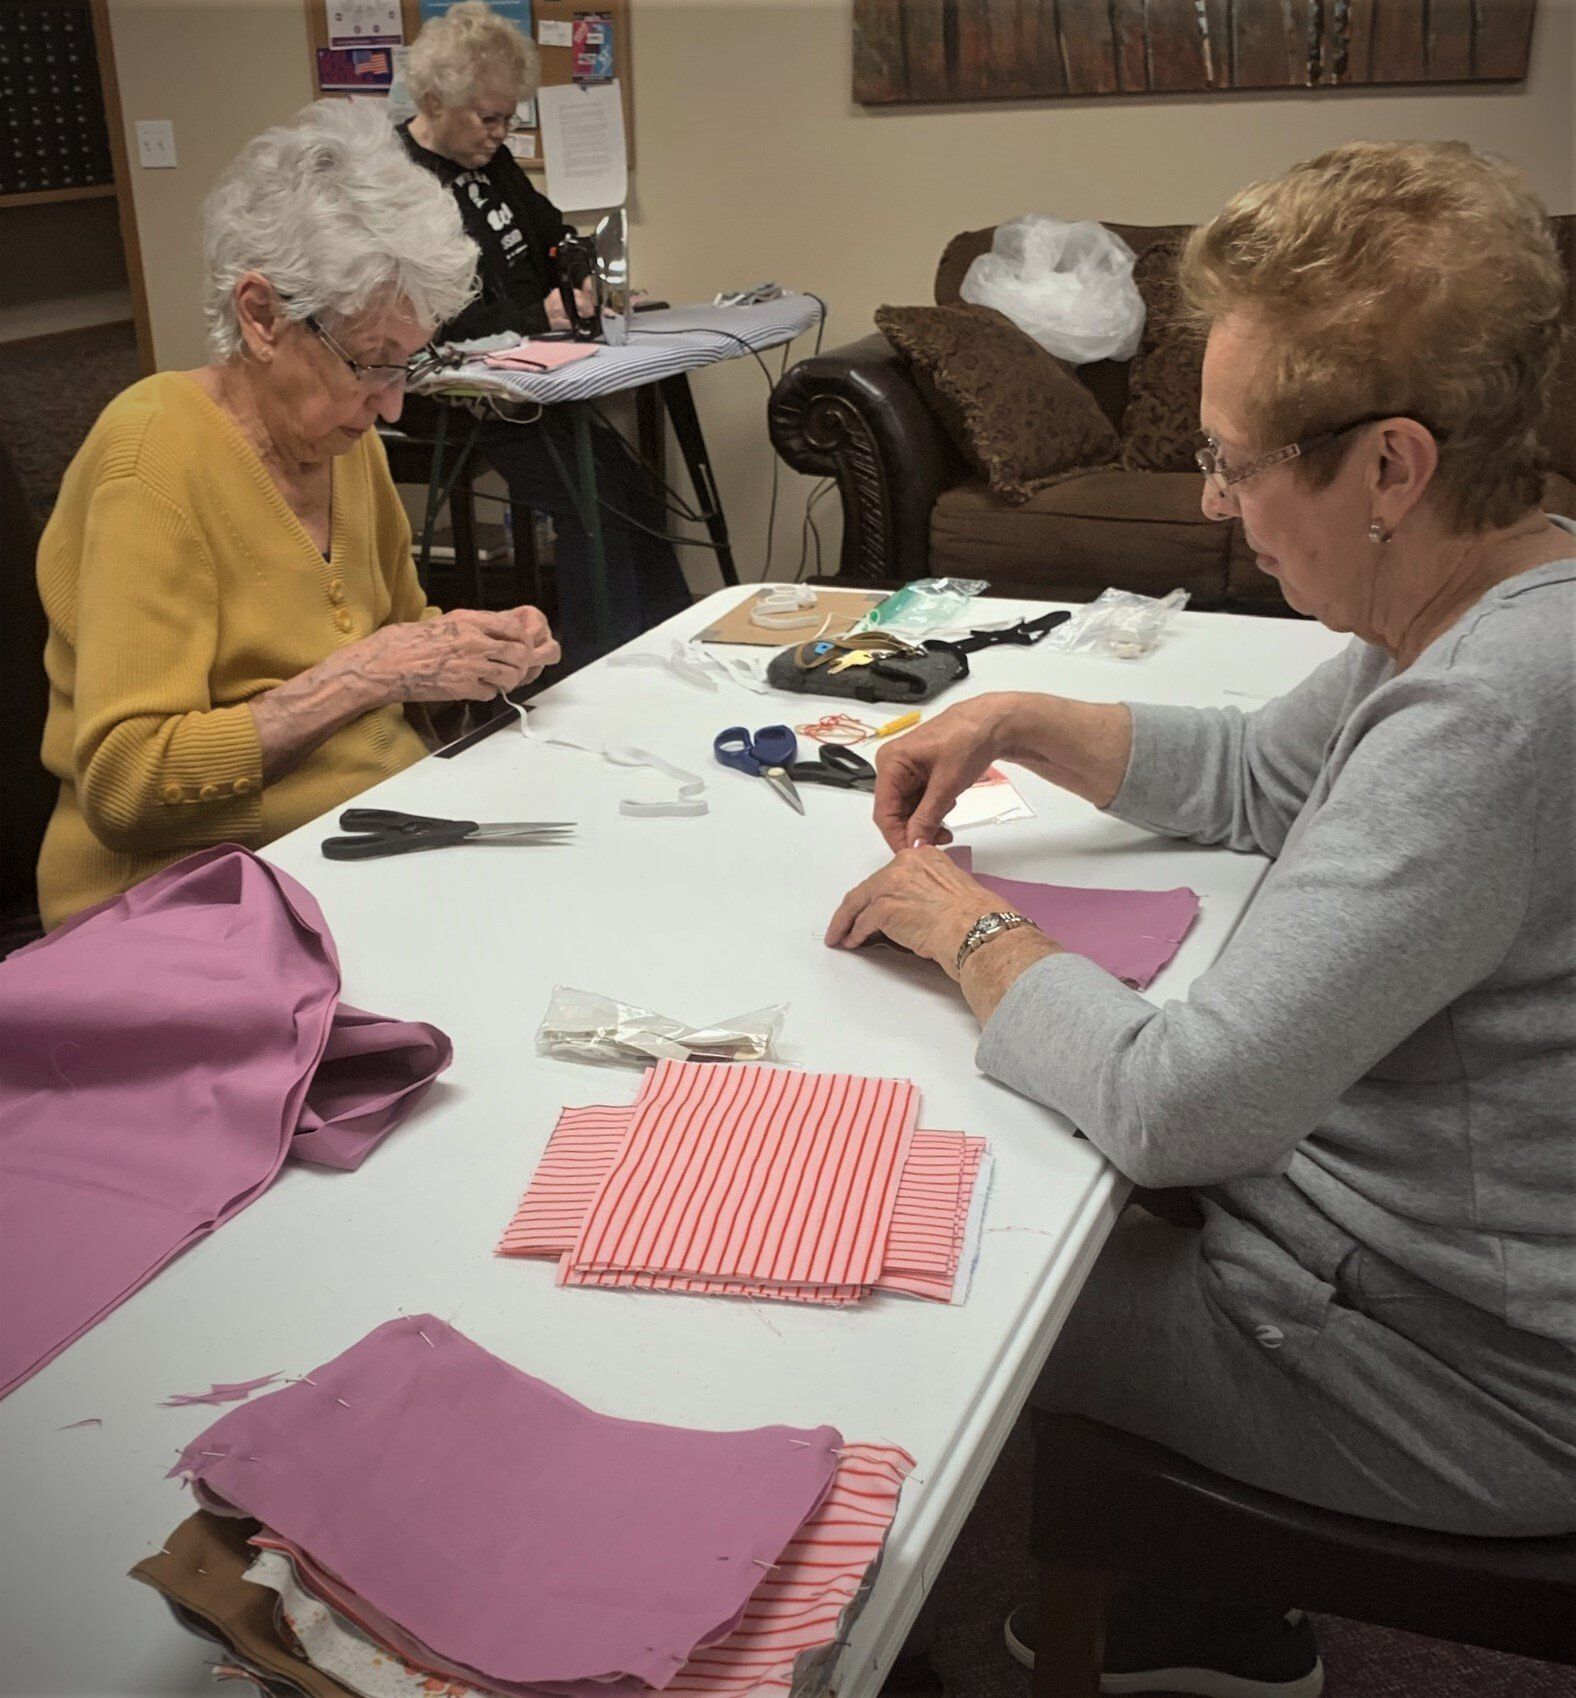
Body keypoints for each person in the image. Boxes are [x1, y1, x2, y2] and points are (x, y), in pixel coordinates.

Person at [827, 141, 1575, 1696]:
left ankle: (902, 1649)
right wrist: (1021, 715)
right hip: (1421, 1267)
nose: (1218, 502)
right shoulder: (1489, 596)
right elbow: (1253, 771)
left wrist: (965, 923)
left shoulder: (1490, 718)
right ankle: (1202, 1609)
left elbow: (1183, 1107)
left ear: (1391, 467)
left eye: (1237, 461)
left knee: (919, 1287)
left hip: (1467, 1378)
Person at [35, 100, 558, 929]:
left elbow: (401, 649)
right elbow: (125, 787)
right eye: (371, 364)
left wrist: (471, 655)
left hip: (360, 849)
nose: (391, 407)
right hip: (185, 902)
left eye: (410, 364)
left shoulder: (347, 450)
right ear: (261, 315)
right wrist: (366, 675)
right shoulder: (153, 461)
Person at [396, 0, 690, 666]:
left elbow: (549, 233)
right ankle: (602, 669)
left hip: (526, 379)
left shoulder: (492, 163)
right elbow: (429, 314)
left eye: (509, 118)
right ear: (438, 100)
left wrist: (588, 277)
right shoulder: (398, 180)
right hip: (450, 390)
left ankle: (676, 649)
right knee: (592, 503)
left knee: (633, 490)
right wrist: (540, 316)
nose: (502, 133)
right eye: (489, 117)